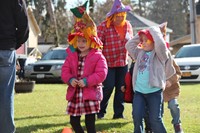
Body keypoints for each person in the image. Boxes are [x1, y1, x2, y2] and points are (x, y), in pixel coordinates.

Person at [61, 2, 108, 133]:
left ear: (91, 41)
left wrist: (87, 81)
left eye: (84, 41)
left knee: (90, 122)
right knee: (74, 121)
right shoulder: (72, 55)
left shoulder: (98, 56)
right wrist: (70, 79)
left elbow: (102, 73)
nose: (81, 44)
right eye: (78, 41)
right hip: (75, 93)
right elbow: (65, 71)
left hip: (90, 93)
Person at [125, 24, 175, 133]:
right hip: (139, 92)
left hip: (154, 93)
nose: (143, 43)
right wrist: (141, 35)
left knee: (155, 120)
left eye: (146, 41)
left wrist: (154, 31)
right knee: (137, 117)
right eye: (142, 41)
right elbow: (129, 45)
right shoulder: (139, 53)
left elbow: (161, 45)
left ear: (154, 41)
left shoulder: (160, 54)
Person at [97, 0, 133, 119]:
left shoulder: (127, 25)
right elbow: (97, 43)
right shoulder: (104, 26)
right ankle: (100, 112)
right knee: (108, 87)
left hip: (122, 62)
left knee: (121, 88)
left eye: (122, 16)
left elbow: (131, 42)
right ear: (112, 16)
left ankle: (118, 114)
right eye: (117, 16)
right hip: (107, 63)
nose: (120, 18)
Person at [0, 0, 29, 132]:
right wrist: (14, 44)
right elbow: (23, 24)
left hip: (7, 46)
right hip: (6, 49)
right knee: (6, 95)